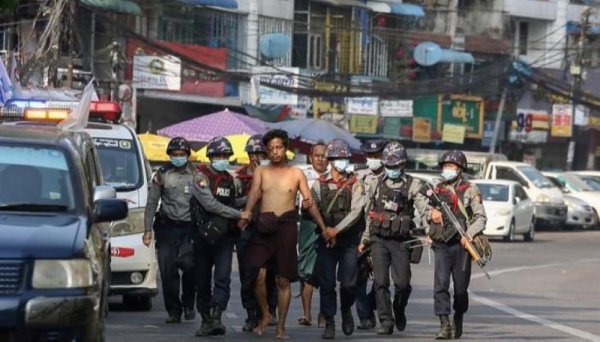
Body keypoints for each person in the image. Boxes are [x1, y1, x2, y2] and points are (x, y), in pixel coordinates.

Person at [241, 129, 330, 339]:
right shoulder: (261, 171)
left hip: (287, 227)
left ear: (285, 148)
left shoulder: (296, 173)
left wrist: (323, 227)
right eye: (270, 148)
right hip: (264, 225)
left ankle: (281, 326)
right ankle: (265, 315)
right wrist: (245, 213)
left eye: (278, 147)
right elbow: (254, 193)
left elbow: (309, 203)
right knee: (258, 275)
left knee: (283, 280)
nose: (275, 152)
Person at [358, 141, 429, 335]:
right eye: (388, 166)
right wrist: (364, 240)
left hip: (401, 241)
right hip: (379, 239)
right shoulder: (376, 183)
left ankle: (399, 308)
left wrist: (430, 230)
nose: (391, 169)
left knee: (403, 284)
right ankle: (386, 320)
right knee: (380, 282)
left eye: (395, 165)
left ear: (403, 164)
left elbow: (424, 210)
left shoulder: (413, 184)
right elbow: (368, 213)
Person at [190, 136, 251, 337]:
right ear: (210, 156)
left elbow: (233, 201)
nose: (222, 158)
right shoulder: (201, 177)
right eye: (218, 155)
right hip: (203, 235)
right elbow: (210, 204)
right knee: (202, 280)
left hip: (225, 236)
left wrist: (251, 199)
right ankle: (205, 319)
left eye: (225, 155)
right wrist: (238, 214)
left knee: (223, 278)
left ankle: (217, 316)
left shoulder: (230, 179)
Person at [425, 150, 487, 339]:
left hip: (462, 245)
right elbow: (425, 211)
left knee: (460, 290)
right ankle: (444, 324)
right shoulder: (436, 190)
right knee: (441, 284)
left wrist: (468, 235)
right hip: (442, 243)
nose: (448, 169)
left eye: (451, 166)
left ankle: (458, 315)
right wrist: (430, 216)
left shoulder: (470, 189)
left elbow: (481, 218)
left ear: (460, 169)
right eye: (445, 166)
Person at [310, 139, 367, 340]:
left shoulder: (356, 184)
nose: (343, 161)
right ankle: (330, 322)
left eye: (345, 158)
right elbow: (312, 208)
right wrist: (326, 231)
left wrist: (336, 230)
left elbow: (356, 212)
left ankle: (346, 310)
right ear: (331, 160)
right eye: (339, 158)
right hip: (326, 241)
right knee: (326, 284)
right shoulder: (319, 184)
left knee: (349, 284)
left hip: (349, 242)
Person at [142, 137, 198, 323]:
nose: (178, 157)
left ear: (187, 155)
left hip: (190, 229)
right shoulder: (162, 174)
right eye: (174, 154)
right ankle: (174, 311)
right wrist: (147, 229)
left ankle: (189, 303)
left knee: (190, 267)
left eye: (181, 154)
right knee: (168, 272)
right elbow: (151, 203)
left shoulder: (196, 174)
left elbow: (206, 201)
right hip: (167, 228)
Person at [236, 134, 279, 332]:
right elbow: (231, 204)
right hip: (248, 230)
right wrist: (248, 200)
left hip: (270, 230)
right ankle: (251, 314)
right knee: (248, 275)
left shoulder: (274, 175)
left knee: (271, 274)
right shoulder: (239, 177)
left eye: (261, 153)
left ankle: (270, 309)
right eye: (254, 154)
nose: (257, 157)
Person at [353, 139, 386, 330]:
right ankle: (365, 316)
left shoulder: (391, 177)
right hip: (359, 231)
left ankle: (371, 304)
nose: (373, 159)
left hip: (382, 232)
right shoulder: (358, 176)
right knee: (358, 277)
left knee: (381, 278)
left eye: (377, 156)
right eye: (370, 156)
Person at [297, 141, 328, 328]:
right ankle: (306, 313)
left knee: (326, 271)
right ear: (311, 157)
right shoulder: (301, 174)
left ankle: (324, 315)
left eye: (323, 155)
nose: (320, 158)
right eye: (317, 155)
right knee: (306, 271)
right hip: (307, 223)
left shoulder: (334, 174)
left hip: (328, 223)